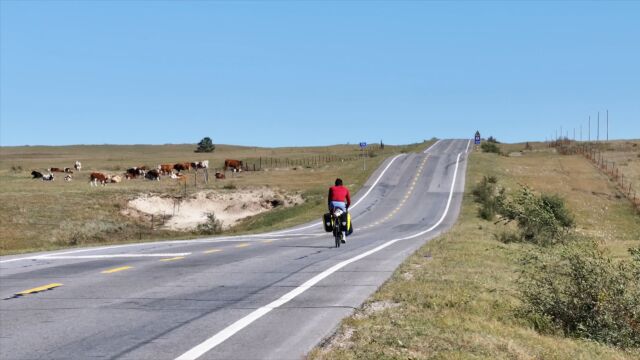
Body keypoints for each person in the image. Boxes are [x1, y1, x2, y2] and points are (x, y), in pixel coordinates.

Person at [328, 178, 351, 243]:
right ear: (342, 184)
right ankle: (343, 236)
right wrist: (346, 207)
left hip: (333, 204)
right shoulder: (345, 189)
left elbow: (329, 199)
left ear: (335, 184)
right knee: (343, 217)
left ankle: (334, 225)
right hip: (342, 205)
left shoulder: (331, 188)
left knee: (333, 215)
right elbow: (349, 201)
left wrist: (329, 208)